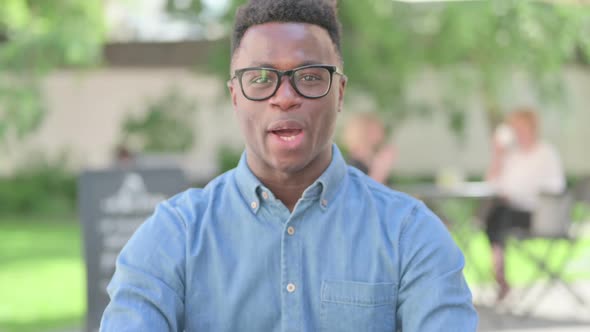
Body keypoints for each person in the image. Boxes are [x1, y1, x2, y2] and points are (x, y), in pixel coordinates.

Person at [100, 1, 478, 331]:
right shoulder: (173, 238)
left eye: (310, 77)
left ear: (340, 93)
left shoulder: (409, 237)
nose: (284, 97)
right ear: (235, 96)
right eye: (261, 79)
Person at [485, 107, 565, 301]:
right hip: (510, 210)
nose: (517, 132)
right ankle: (500, 273)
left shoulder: (546, 153)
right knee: (494, 214)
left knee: (498, 215)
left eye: (520, 127)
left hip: (537, 214)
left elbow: (556, 187)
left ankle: (499, 274)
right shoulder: (512, 155)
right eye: (514, 128)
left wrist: (525, 193)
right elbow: (492, 184)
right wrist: (498, 155)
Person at [341, 112, 396, 184]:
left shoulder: (370, 160)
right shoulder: (351, 165)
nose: (381, 132)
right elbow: (365, 192)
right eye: (373, 130)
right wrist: (380, 169)